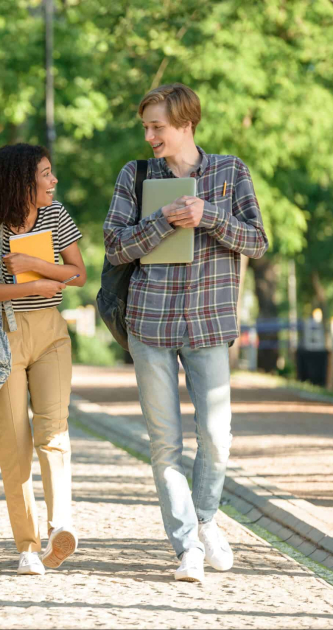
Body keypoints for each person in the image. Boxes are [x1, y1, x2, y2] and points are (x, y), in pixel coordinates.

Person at [103, 83, 268, 582]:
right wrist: (162, 222)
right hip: (150, 324)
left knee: (217, 438)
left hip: (209, 323)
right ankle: (186, 548)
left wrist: (209, 216)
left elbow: (257, 242)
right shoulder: (135, 175)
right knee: (164, 443)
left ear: (186, 123)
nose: (150, 135)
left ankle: (205, 520)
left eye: (158, 127)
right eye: (146, 127)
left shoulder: (230, 171)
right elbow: (113, 247)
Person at [0, 143, 86, 576]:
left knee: (54, 433)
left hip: (51, 334)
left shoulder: (56, 216)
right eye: (46, 174)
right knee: (15, 444)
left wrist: (37, 265)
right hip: (3, 338)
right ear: (21, 182)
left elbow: (78, 273)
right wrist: (26, 287)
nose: (53, 181)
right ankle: (28, 545)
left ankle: (60, 527)